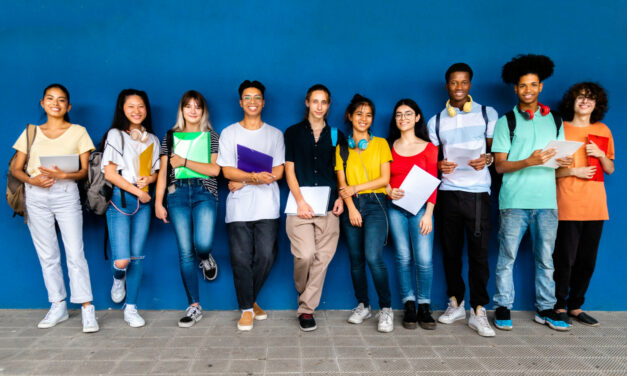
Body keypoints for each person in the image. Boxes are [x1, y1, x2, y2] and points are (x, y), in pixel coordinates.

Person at [491, 54, 573, 331]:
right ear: (515, 89)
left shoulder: (556, 121)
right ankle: (503, 306)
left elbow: (557, 161)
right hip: (514, 202)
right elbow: (500, 166)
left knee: (546, 259)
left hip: (547, 202)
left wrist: (565, 162)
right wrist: (529, 161)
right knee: (507, 258)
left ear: (541, 87)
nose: (528, 90)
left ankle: (546, 309)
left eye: (533, 85)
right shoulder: (506, 122)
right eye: (522, 86)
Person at [11, 84, 98, 333]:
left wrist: (63, 175)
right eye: (50, 99)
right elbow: (16, 169)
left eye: (61, 100)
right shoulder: (30, 132)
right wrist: (32, 180)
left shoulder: (78, 132)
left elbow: (84, 172)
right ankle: (57, 305)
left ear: (68, 106)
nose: (55, 103)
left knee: (75, 252)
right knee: (47, 254)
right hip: (36, 194)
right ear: (42, 103)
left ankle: (86, 309)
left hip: (65, 193)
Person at [427, 63, 497, 337]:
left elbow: (495, 152)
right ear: (447, 85)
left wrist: (488, 159)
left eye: (464, 82)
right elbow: (432, 160)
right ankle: (456, 303)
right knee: (451, 253)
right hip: (448, 193)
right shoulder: (436, 120)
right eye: (454, 83)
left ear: (470, 85)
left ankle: (478, 310)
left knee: (479, 255)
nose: (458, 87)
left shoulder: (486, 113)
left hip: (478, 193)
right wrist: (439, 167)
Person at [217, 80, 285, 331]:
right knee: (240, 259)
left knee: (267, 255)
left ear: (263, 102)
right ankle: (247, 309)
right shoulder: (229, 133)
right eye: (247, 97)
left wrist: (243, 178)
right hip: (239, 208)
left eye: (257, 97)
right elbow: (226, 171)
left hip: (268, 205)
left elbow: (278, 170)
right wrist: (255, 177)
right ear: (240, 102)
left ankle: (249, 298)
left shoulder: (275, 134)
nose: (252, 102)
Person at [155, 90, 220, 327]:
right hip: (177, 193)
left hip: (205, 192)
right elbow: (163, 172)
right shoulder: (170, 136)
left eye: (197, 106)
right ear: (181, 110)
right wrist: (158, 202)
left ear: (203, 111)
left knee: (202, 243)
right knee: (184, 251)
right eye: (188, 106)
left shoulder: (211, 136)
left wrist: (183, 161)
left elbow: (214, 171)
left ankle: (206, 257)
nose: (193, 110)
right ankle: (194, 306)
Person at [553, 82, 614, 327]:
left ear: (596, 104)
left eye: (590, 98)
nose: (585, 101)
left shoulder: (603, 130)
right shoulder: (560, 129)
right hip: (567, 203)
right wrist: (574, 171)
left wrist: (599, 154)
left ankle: (576, 306)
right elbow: (549, 172)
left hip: (596, 206)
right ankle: (558, 306)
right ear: (573, 101)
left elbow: (610, 168)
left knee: (587, 260)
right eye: (580, 97)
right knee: (564, 258)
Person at [284, 84, 344, 331]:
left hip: (330, 205)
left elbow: (341, 170)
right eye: (315, 101)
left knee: (322, 259)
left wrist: (341, 197)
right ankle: (304, 289)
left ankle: (307, 309)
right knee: (305, 255)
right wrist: (300, 201)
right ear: (307, 103)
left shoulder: (336, 135)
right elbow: (289, 169)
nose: (319, 106)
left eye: (324, 102)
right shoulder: (293, 133)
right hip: (300, 204)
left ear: (329, 106)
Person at [100, 89, 161, 328]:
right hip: (121, 198)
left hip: (143, 199)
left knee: (137, 257)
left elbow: (155, 172)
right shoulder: (116, 135)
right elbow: (110, 173)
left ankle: (131, 308)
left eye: (141, 106)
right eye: (131, 106)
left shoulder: (153, 139)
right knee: (123, 260)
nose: (137, 111)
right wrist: (139, 192)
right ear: (122, 110)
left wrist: (150, 180)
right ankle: (118, 278)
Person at [336, 94, 394, 333]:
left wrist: (357, 188)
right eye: (359, 113)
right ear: (349, 116)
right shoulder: (341, 148)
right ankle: (363, 305)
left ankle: (386, 309)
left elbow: (385, 179)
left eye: (368, 115)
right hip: (352, 206)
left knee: (373, 257)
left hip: (376, 203)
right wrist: (350, 207)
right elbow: (341, 182)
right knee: (356, 261)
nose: (363, 118)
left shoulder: (380, 144)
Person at [387, 99, 438, 330]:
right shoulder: (388, 147)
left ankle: (424, 306)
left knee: (424, 260)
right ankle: (409, 304)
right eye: (399, 114)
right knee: (403, 258)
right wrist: (388, 190)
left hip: (421, 211)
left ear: (417, 117)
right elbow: (383, 179)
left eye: (408, 114)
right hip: (396, 209)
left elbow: (433, 183)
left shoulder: (429, 148)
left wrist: (428, 214)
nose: (403, 118)